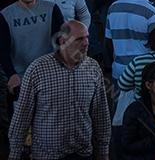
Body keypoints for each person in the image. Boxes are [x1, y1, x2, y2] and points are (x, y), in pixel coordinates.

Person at [7, 20, 110, 160]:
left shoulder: (93, 68)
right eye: (79, 39)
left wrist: (103, 152)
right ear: (63, 41)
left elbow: (100, 114)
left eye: (87, 37)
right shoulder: (38, 69)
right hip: (48, 155)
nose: (86, 43)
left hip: (83, 153)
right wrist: (14, 154)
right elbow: (22, 117)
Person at [106, 0, 155, 80]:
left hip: (119, 72)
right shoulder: (152, 12)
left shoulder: (113, 8)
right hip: (144, 72)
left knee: (119, 97)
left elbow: (108, 43)